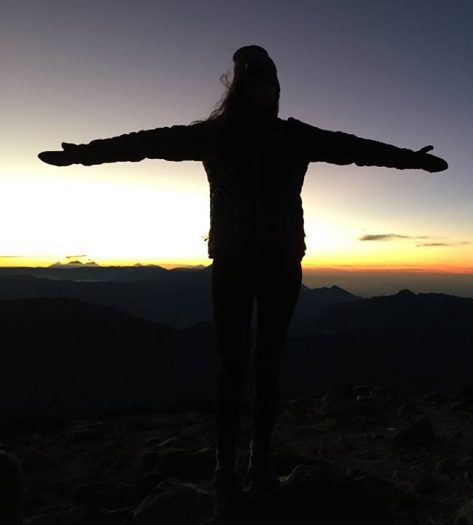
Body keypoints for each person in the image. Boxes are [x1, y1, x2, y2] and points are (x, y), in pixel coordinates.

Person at [38, 45, 447, 517]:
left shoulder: (294, 136)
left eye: (269, 83)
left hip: (280, 264)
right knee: (233, 366)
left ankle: (260, 465)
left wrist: (411, 160)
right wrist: (85, 155)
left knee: (267, 364)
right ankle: (226, 469)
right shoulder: (214, 136)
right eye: (254, 82)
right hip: (232, 263)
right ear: (239, 87)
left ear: (276, 89)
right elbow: (145, 143)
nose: (263, 90)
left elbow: (355, 149)